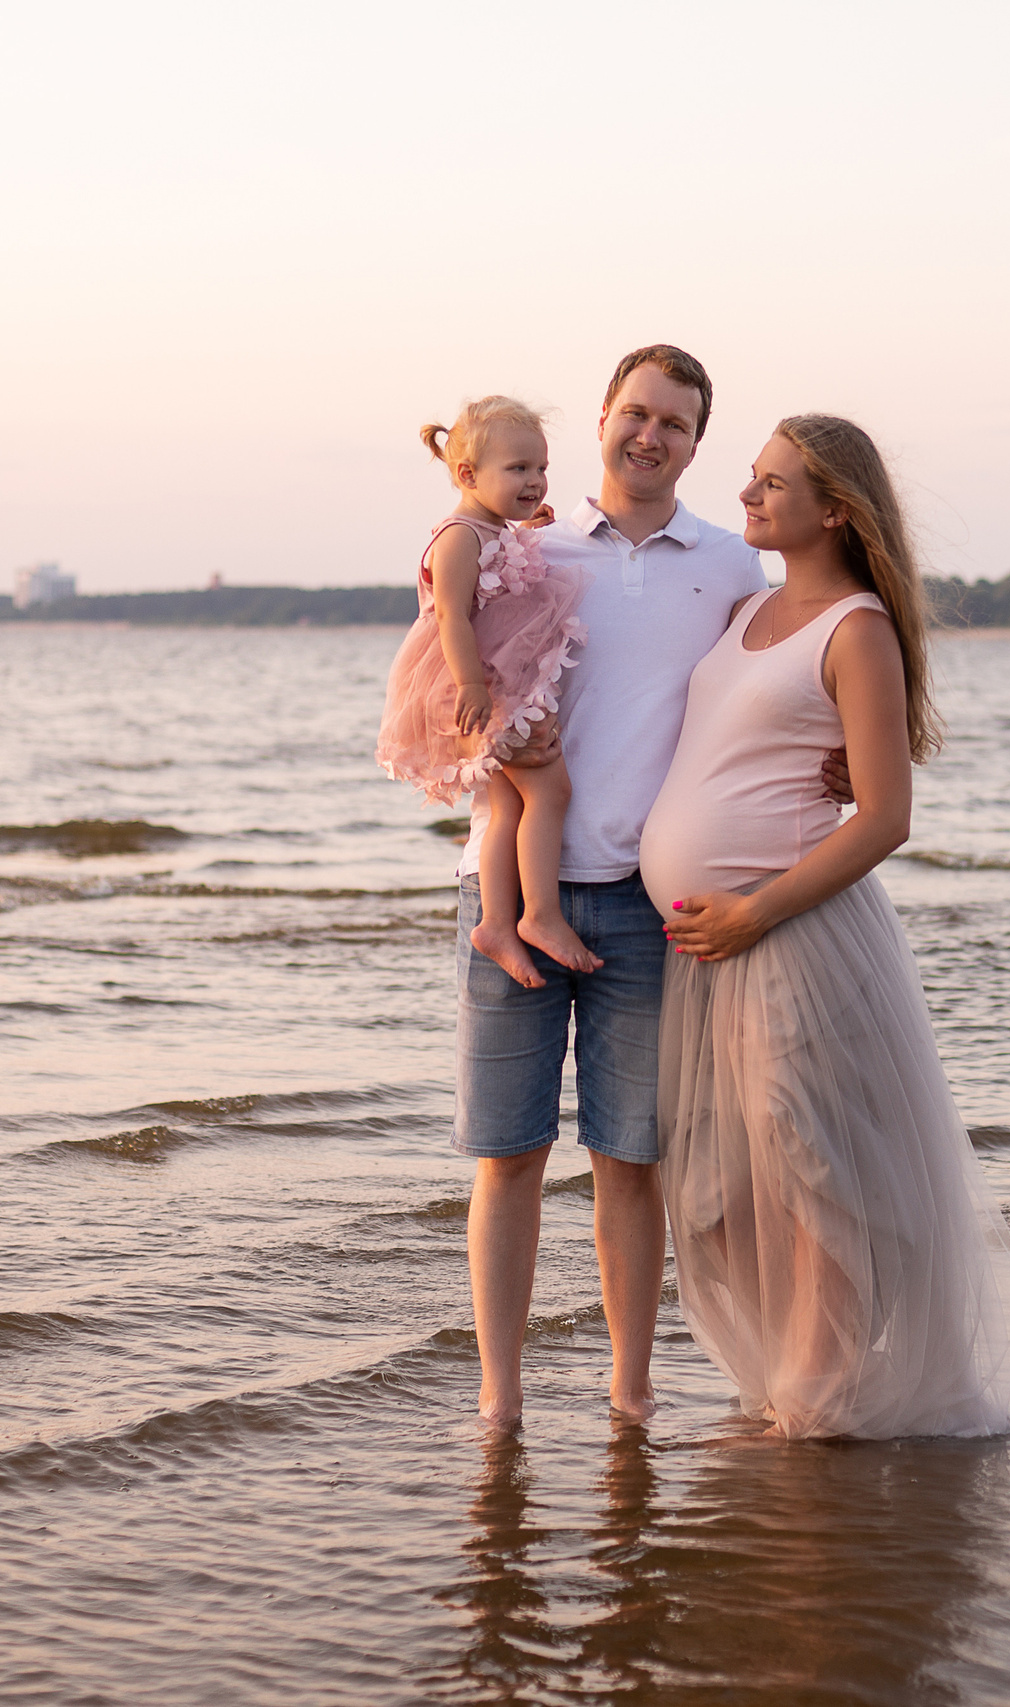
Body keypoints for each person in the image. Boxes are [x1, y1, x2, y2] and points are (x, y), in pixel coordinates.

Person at [643, 414, 1010, 1438]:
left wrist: (754, 908)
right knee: (730, 1186)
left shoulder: (857, 630)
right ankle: (787, 1382)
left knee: (810, 1171)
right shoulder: (747, 610)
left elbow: (886, 816)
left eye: (771, 485)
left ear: (834, 510)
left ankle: (822, 1397)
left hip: (787, 937)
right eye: (749, 480)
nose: (747, 497)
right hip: (711, 949)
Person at [456, 346, 768, 1428]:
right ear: (601, 419)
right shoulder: (526, 544)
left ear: (695, 443)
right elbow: (448, 662)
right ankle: (500, 1403)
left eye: (674, 424)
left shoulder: (729, 568)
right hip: (508, 890)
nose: (650, 436)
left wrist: (831, 765)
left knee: (630, 1162)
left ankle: (630, 1395)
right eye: (635, 414)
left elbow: (777, 690)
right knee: (508, 1157)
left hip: (651, 903)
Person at [377, 396, 599, 984]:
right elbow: (450, 616)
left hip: (495, 681)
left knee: (506, 804)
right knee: (549, 790)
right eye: (518, 469)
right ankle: (541, 915)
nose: (535, 480)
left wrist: (525, 528)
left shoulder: (488, 526)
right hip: (482, 686)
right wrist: (473, 684)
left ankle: (499, 921)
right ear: (469, 475)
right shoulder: (458, 537)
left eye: (540, 467)